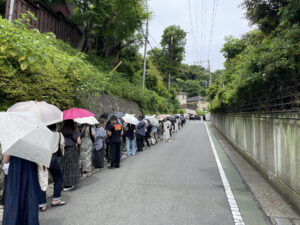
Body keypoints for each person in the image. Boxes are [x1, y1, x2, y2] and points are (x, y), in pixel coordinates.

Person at [2, 155, 40, 225]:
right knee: (30, 200)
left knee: (14, 201)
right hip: (30, 173)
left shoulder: (13, 144)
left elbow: (5, 160)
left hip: (15, 172)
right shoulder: (35, 145)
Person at [39, 124, 66, 212]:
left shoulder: (41, 134)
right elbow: (61, 148)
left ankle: (42, 204)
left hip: (42, 158)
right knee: (58, 178)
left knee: (42, 179)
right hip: (52, 158)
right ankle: (56, 200)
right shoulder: (58, 134)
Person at [60, 120, 81, 191]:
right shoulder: (75, 131)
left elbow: (61, 143)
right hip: (73, 150)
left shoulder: (62, 131)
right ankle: (70, 184)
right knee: (72, 167)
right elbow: (79, 141)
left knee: (64, 166)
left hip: (65, 150)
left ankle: (63, 183)